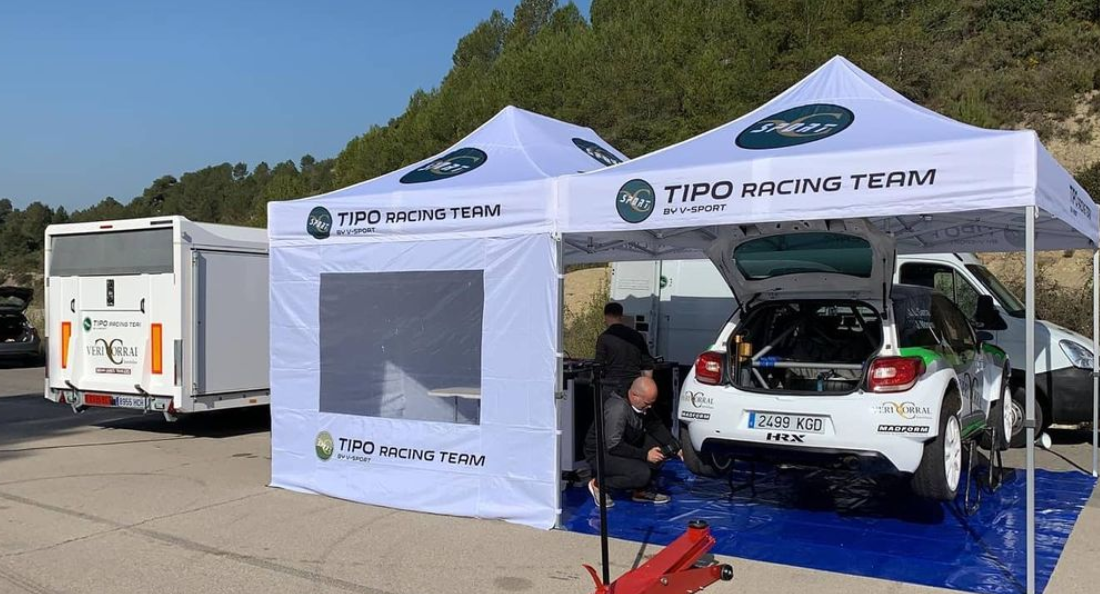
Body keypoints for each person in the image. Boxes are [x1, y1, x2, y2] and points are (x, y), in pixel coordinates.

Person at [584, 376, 679, 507]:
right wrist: (645, 455)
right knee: (641, 473)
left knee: (661, 451)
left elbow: (655, 425)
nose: (650, 406)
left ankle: (640, 490)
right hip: (602, 452)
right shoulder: (617, 409)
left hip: (628, 442)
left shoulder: (642, 404)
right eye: (647, 403)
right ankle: (599, 484)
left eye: (652, 402)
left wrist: (675, 446)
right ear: (634, 396)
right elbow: (614, 445)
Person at [594, 302, 655, 397]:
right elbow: (647, 365)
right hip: (634, 386)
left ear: (606, 316)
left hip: (612, 386)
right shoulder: (637, 336)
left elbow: (598, 366)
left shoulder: (604, 338)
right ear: (621, 316)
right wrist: (646, 388)